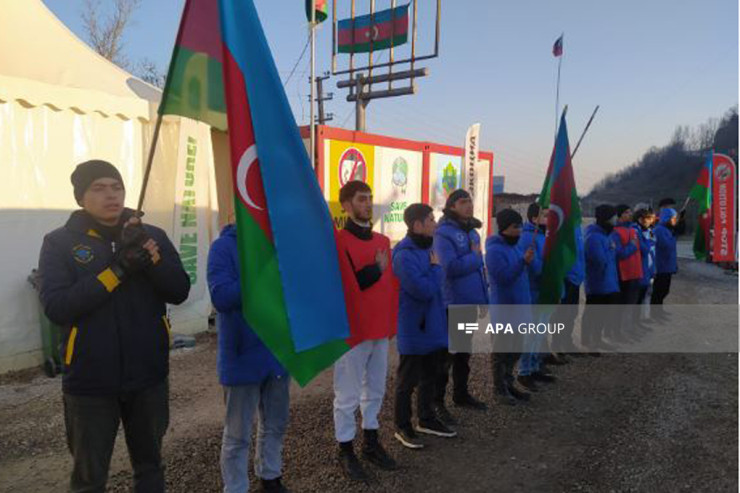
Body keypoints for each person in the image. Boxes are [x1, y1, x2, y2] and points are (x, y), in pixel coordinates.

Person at [38, 160, 191, 493]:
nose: (111, 195)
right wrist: (117, 270)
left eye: (117, 187)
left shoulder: (153, 235)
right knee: (89, 477)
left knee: (150, 467)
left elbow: (179, 290)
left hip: (148, 375)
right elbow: (58, 307)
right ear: (81, 198)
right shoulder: (59, 243)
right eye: (99, 188)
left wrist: (151, 261)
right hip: (90, 381)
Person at [208, 224, 291, 493]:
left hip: (278, 352)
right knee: (237, 434)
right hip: (241, 356)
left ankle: (270, 475)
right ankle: (235, 487)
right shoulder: (223, 247)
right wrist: (260, 276)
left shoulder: (281, 245)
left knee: (276, 423)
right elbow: (221, 297)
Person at [333, 181, 397, 481]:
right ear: (346, 205)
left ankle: (371, 441)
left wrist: (392, 323)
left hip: (380, 330)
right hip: (352, 332)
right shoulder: (338, 241)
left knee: (375, 390)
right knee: (346, 395)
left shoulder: (383, 241)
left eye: (370, 198)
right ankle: (345, 449)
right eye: (361, 199)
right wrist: (375, 270)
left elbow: (391, 288)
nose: (368, 203)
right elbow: (346, 286)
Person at [392, 204, 456, 450]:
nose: (435, 224)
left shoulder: (429, 249)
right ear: (417, 224)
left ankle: (426, 419)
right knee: (406, 381)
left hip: (433, 327)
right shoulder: (404, 254)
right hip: (414, 329)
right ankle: (402, 425)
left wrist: (433, 269)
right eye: (430, 219)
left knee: (431, 375)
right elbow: (423, 290)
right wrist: (436, 269)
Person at [434, 189, 488, 411]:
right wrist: (474, 257)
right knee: (446, 357)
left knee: (463, 354)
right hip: (453, 304)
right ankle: (437, 404)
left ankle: (461, 394)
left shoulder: (473, 233)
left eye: (470, 201)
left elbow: (480, 270)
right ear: (452, 206)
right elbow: (450, 268)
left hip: (469, 304)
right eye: (464, 202)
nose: (469, 205)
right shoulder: (443, 233)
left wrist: (484, 299)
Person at [485, 209, 535, 405]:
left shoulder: (515, 247)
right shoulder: (494, 251)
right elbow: (503, 277)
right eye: (515, 227)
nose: (519, 231)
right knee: (502, 349)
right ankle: (499, 388)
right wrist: (523, 262)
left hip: (520, 306)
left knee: (517, 347)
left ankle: (508, 381)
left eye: (520, 226)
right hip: (504, 308)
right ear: (504, 228)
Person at [515, 203, 557, 392]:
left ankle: (535, 366)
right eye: (545, 216)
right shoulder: (527, 237)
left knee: (540, 332)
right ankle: (524, 371)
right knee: (530, 334)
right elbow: (534, 266)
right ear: (534, 218)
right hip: (533, 291)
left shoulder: (546, 236)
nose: (549, 219)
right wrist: (548, 268)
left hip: (545, 290)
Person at [581, 204, 620, 353]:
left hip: (608, 282)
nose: (615, 220)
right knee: (594, 314)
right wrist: (611, 249)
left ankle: (597, 340)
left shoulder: (606, 235)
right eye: (613, 217)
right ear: (605, 219)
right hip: (597, 283)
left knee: (602, 314)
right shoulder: (594, 238)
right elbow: (600, 261)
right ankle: (589, 342)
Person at [611, 205, 643, 342]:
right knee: (621, 305)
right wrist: (632, 245)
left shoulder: (633, 230)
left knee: (631, 304)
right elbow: (619, 254)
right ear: (619, 216)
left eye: (630, 212)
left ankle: (627, 330)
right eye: (626, 212)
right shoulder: (616, 232)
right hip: (623, 274)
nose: (629, 214)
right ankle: (616, 332)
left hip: (635, 273)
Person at [552, 225, 585, 354]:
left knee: (572, 313)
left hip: (576, 276)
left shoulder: (577, 228)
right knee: (562, 314)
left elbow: (580, 253)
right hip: (567, 277)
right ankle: (557, 344)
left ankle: (566, 342)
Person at [650, 208, 679, 318]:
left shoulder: (667, 230)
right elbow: (667, 246)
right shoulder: (660, 230)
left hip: (667, 265)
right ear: (667, 218)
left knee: (664, 290)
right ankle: (655, 313)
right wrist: (674, 236)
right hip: (661, 265)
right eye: (673, 218)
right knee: (659, 290)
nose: (675, 220)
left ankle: (659, 310)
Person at [633, 207, 656, 330]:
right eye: (648, 218)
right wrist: (648, 239)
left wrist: (653, 271)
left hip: (648, 270)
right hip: (639, 270)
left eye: (651, 218)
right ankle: (633, 324)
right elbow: (644, 249)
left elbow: (652, 252)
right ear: (640, 219)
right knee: (635, 301)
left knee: (643, 297)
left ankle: (639, 322)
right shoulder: (636, 231)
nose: (650, 221)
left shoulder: (649, 231)